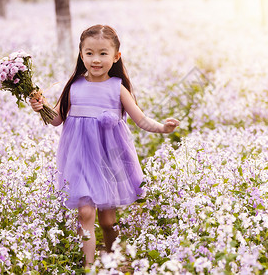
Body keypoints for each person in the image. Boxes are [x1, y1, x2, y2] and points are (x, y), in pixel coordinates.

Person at [30, 24, 179, 267]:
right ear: (81, 54)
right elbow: (56, 120)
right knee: (85, 213)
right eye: (89, 53)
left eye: (102, 53)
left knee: (108, 221)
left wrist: (163, 128)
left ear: (116, 56)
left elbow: (140, 119)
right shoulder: (73, 87)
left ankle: (111, 255)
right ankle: (88, 265)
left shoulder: (116, 88)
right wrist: (41, 108)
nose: (95, 60)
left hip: (109, 159)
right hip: (79, 159)